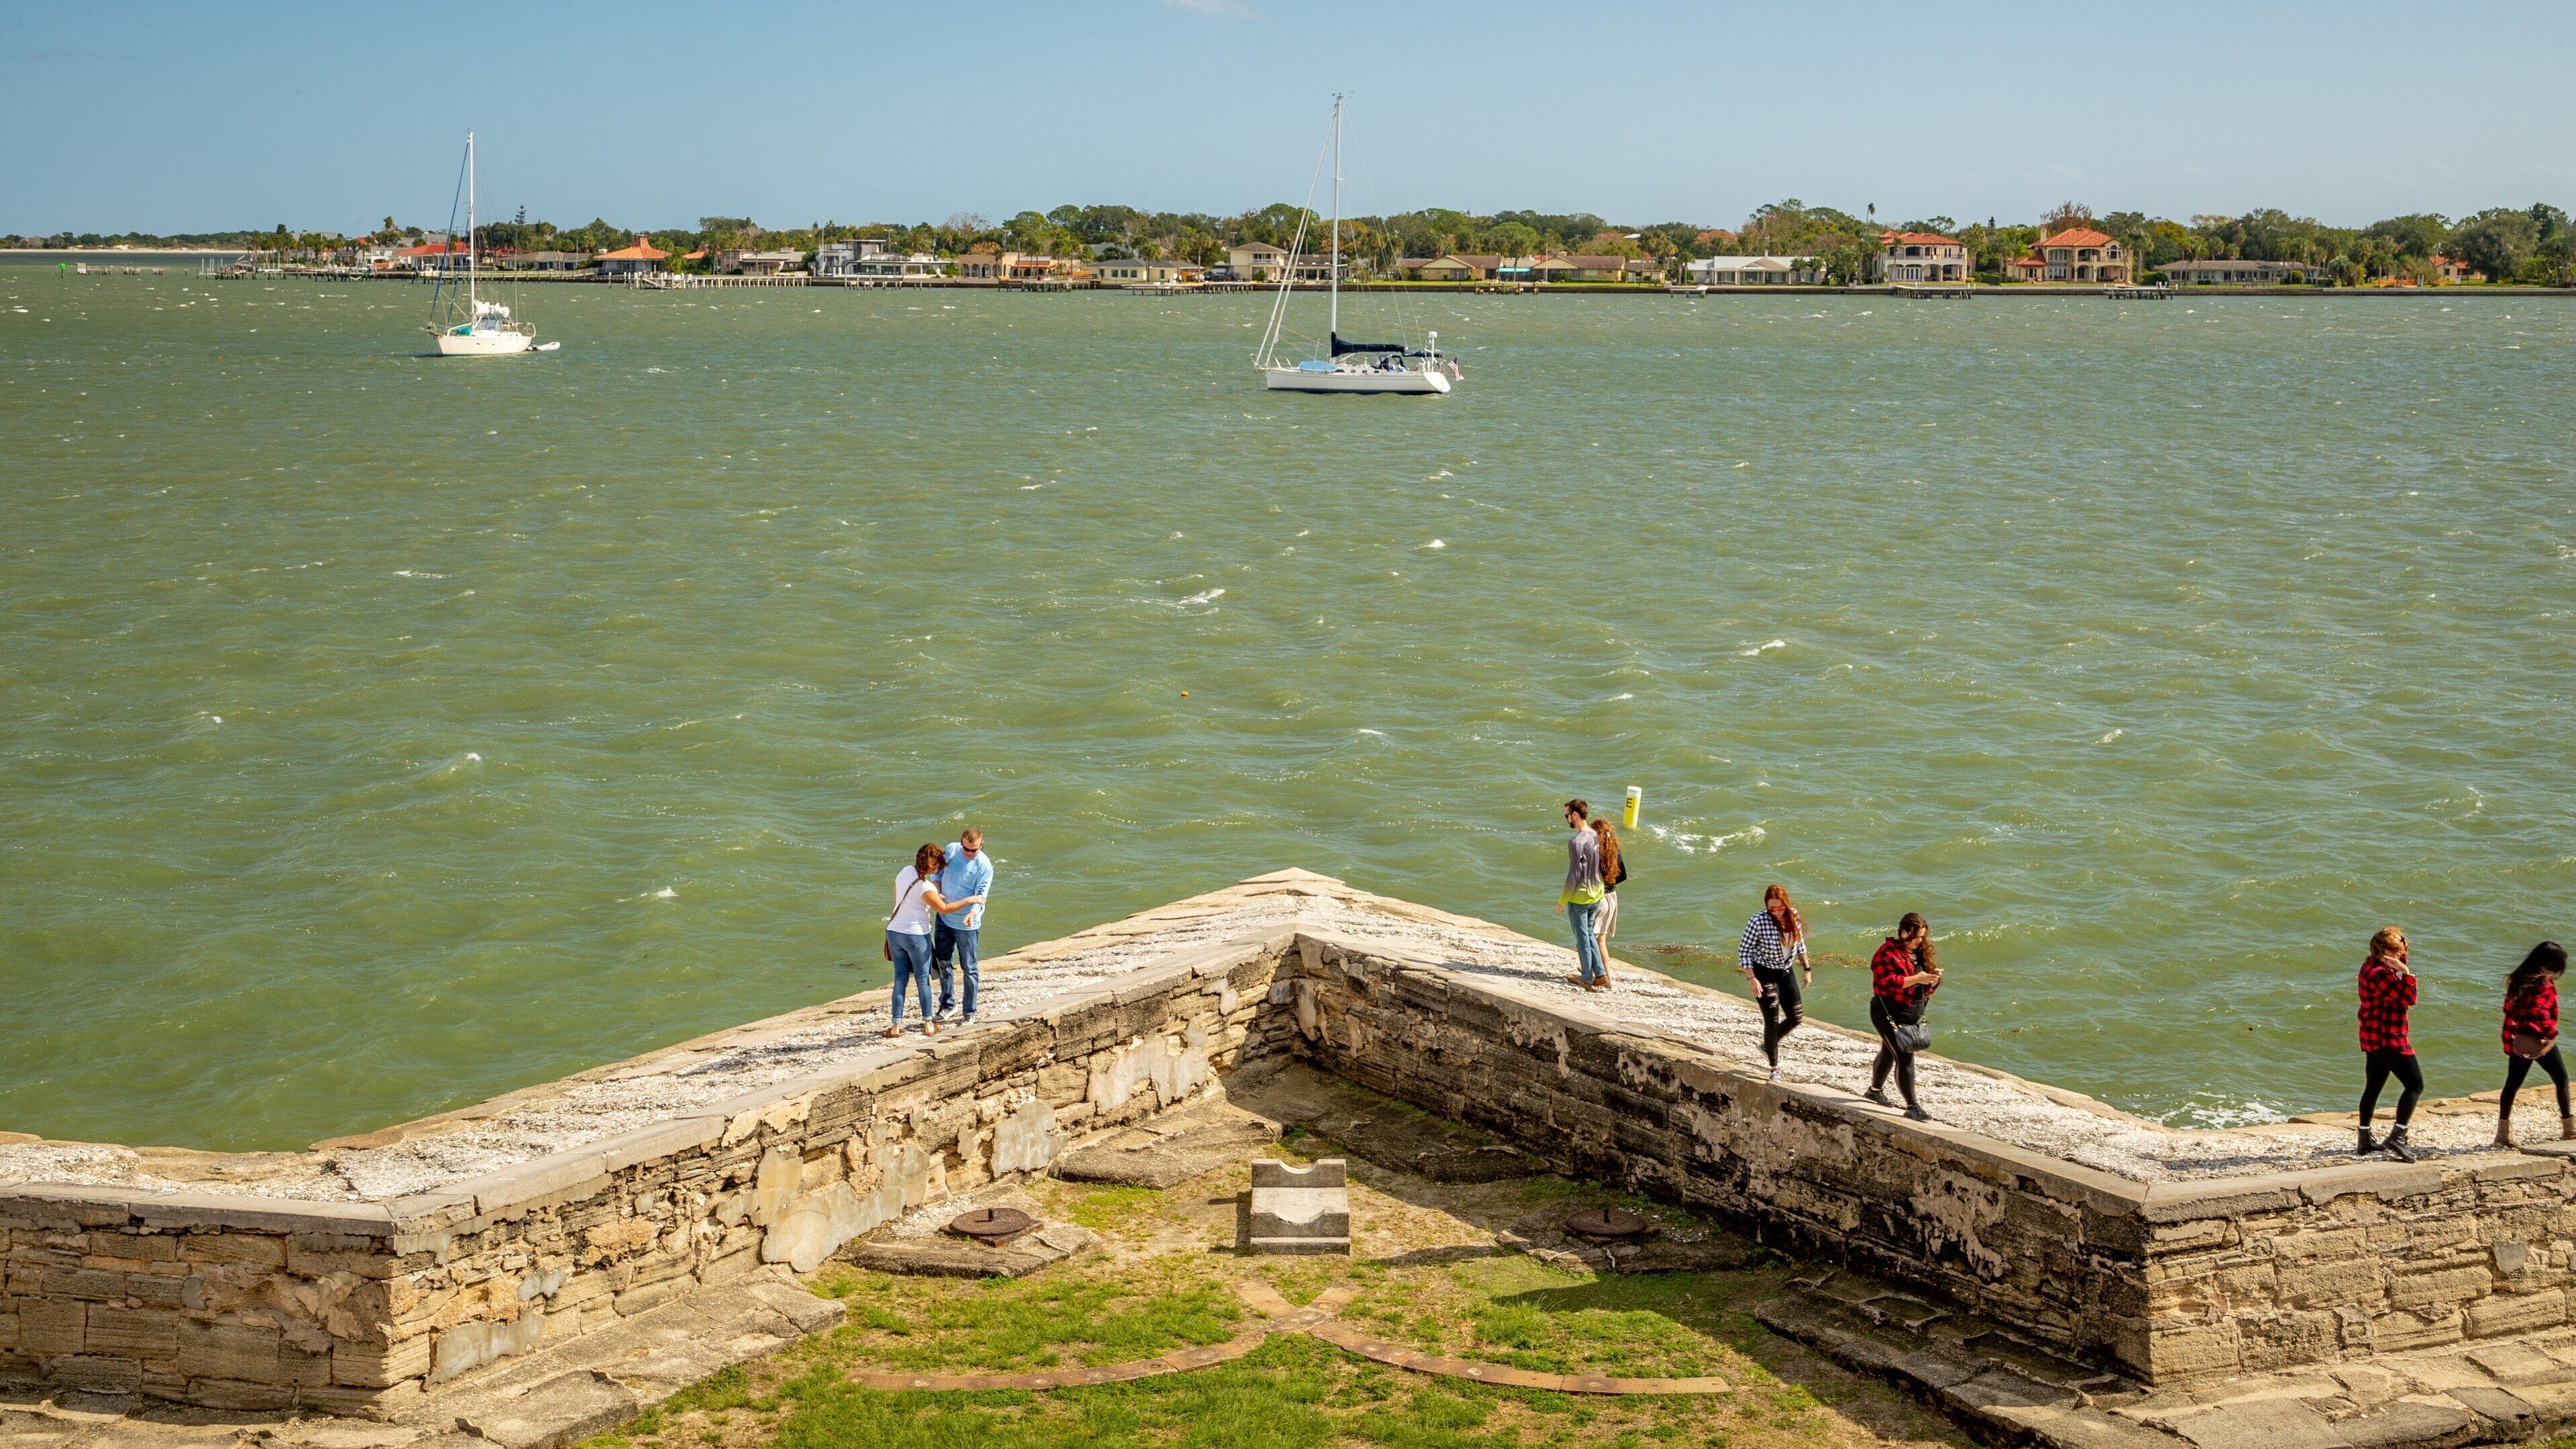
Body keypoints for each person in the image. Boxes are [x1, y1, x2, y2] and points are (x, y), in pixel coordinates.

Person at [882, 844, 981, 1038]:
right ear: (933, 865)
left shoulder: (905, 872)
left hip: (894, 933)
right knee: (922, 981)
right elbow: (944, 909)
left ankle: (895, 1027)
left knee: (900, 980)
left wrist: (930, 899)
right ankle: (928, 1024)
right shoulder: (926, 887)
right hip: (916, 937)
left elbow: (897, 899)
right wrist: (971, 900)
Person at [2496, 941, 2571, 1148]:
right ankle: (2570, 1130)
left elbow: (2508, 1009)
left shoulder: (2518, 979)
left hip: (2518, 1040)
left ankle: (2502, 1135)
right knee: (2561, 1078)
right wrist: (2552, 1034)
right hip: (2538, 1039)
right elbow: (2541, 1012)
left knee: (2512, 1084)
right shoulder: (2544, 983)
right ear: (2549, 962)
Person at [2355, 926, 2422, 1162]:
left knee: (2373, 1086)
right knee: (2415, 1086)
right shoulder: (2382, 975)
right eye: (2394, 950)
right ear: (2383, 949)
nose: (2398, 954)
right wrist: (2407, 973)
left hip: (2371, 1036)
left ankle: (2364, 1140)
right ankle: (2397, 1137)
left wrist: (2400, 956)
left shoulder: (2368, 967)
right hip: (2389, 1037)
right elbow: (2408, 999)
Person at [1866, 912, 1941, 1121]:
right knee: (1905, 1054)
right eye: (1916, 937)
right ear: (1904, 932)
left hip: (1911, 1014)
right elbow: (1886, 982)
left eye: (1922, 937)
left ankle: (1874, 1090)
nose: (1919, 941)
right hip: (1887, 1013)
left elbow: (1925, 987)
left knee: (1889, 1052)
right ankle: (1912, 1106)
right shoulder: (1886, 953)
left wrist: (1932, 981)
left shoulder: (1921, 953)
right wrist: (1918, 978)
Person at [1739, 885, 1811, 1084]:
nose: (1777, 912)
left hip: (1785, 971)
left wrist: (1807, 969)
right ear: (1767, 906)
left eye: (1780, 907)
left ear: (1786, 904)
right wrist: (1751, 978)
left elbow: (1800, 944)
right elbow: (1744, 952)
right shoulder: (1757, 922)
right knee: (1771, 1019)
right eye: (1772, 908)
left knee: (1796, 1017)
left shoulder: (1793, 916)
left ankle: (1767, 1045)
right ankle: (1774, 1068)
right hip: (1763, 973)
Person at [932, 827, 994, 1026]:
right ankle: (948, 1005)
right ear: (961, 844)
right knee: (943, 963)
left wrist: (973, 913)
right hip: (944, 918)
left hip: (967, 925)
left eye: (973, 850)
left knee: (970, 968)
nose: (969, 853)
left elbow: (981, 897)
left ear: (981, 846)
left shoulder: (984, 866)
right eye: (966, 849)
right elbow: (937, 874)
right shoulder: (951, 850)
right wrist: (938, 892)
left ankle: (969, 1011)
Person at [1554, 799, 1609, 991]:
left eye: (1567, 815)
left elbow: (1574, 874)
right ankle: (1600, 975)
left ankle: (1586, 977)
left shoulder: (1576, 842)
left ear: (1575, 815)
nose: (1567, 818)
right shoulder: (1594, 834)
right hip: (1596, 894)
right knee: (1589, 934)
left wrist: (1562, 900)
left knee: (1582, 938)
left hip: (1580, 897)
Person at [1591, 816, 1628, 949]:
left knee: (1592, 939)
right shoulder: (1615, 852)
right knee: (1601, 940)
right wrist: (1610, 883)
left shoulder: (1595, 854)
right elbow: (1623, 876)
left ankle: (1595, 969)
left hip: (1598, 898)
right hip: (1612, 897)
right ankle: (1605, 970)